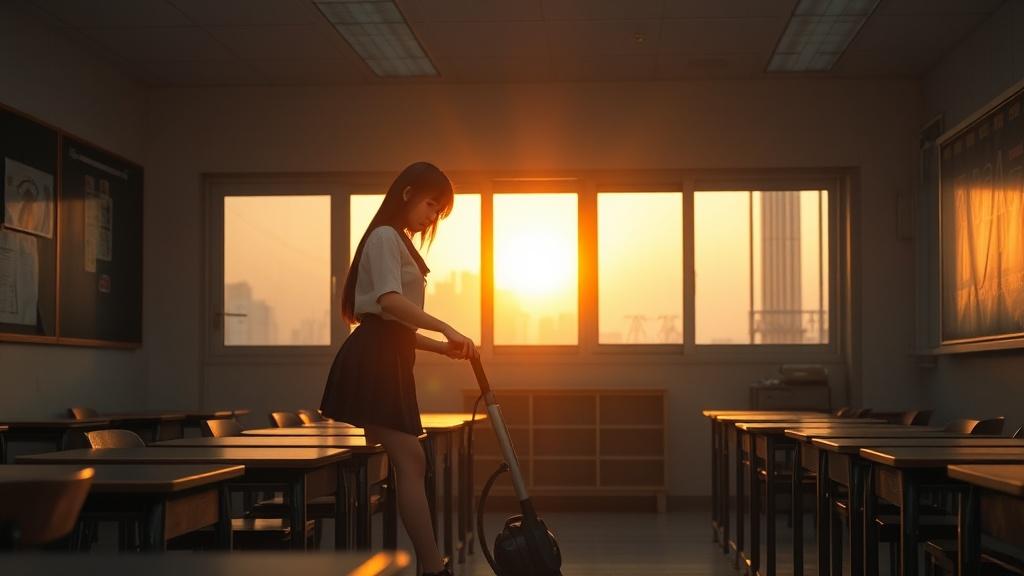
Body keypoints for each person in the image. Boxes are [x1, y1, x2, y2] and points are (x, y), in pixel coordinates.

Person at [320, 161, 476, 576]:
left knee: (409, 460)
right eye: (430, 205)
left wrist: (441, 350)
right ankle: (432, 566)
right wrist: (444, 326)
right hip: (374, 360)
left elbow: (397, 327)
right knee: (411, 459)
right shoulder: (385, 236)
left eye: (438, 213)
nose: (431, 217)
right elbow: (388, 303)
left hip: (387, 355)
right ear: (406, 193)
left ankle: (430, 565)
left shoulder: (398, 241)